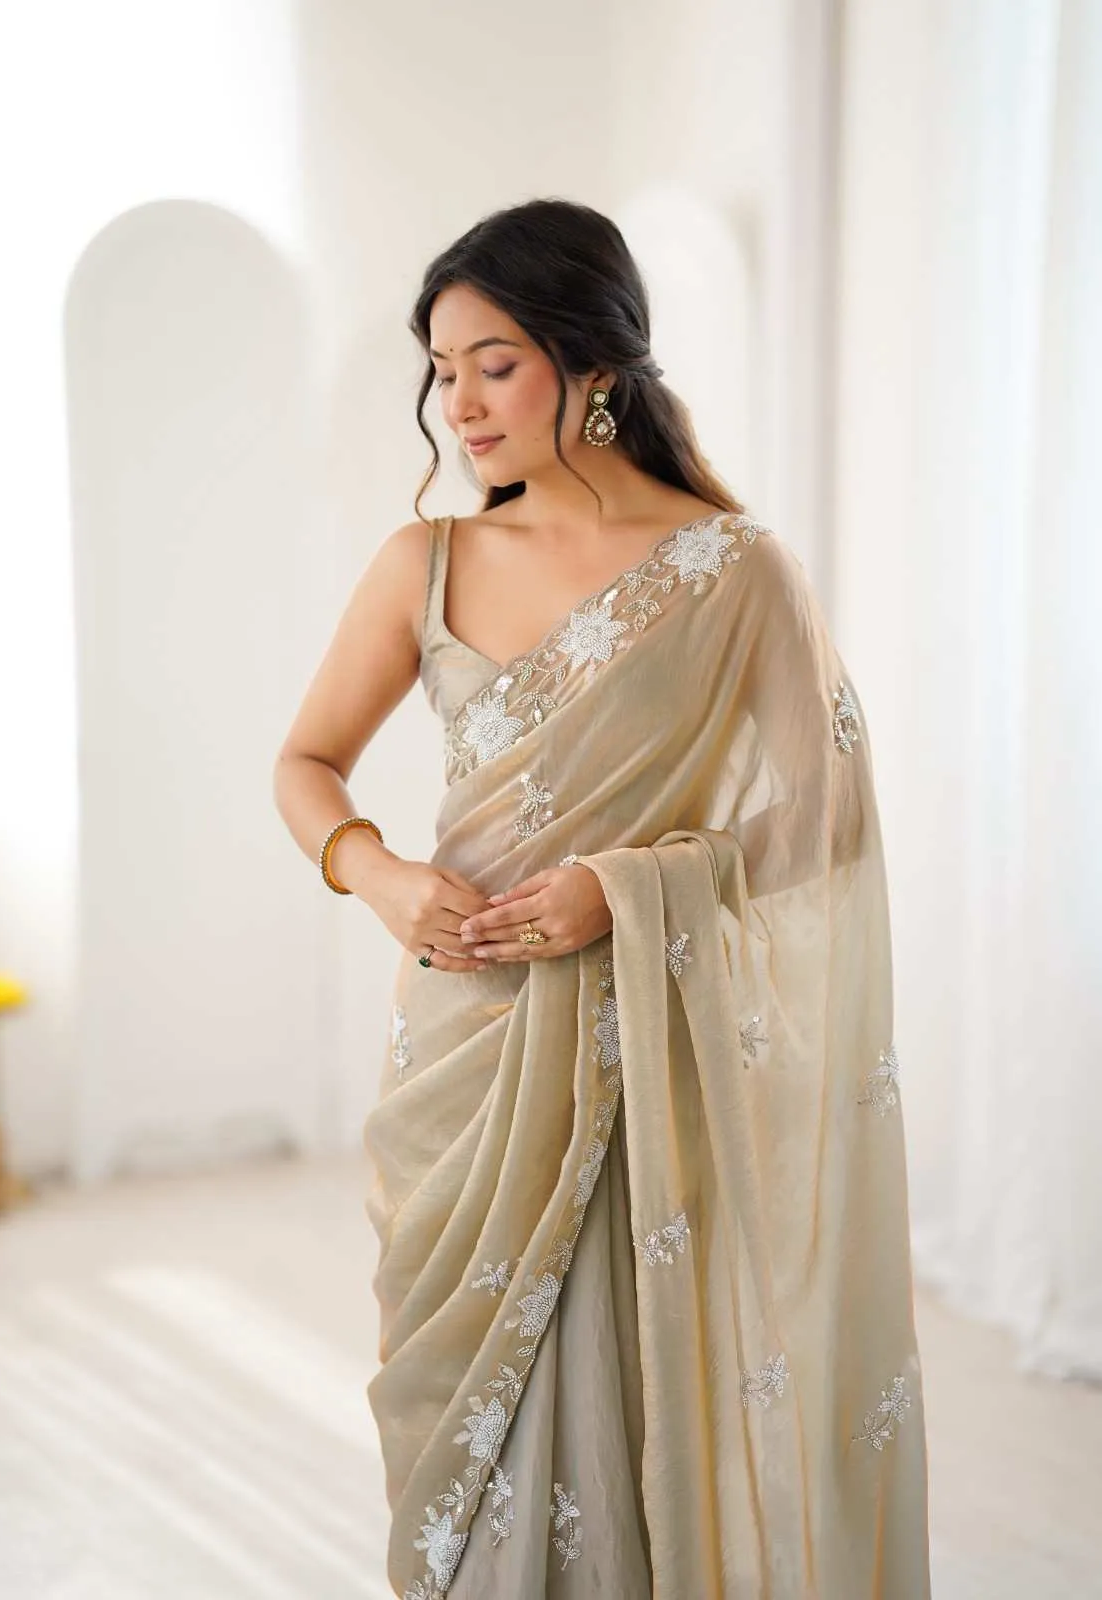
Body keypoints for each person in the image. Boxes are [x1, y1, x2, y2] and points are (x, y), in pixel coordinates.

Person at [273, 197, 931, 1598]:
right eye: (440, 370)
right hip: (464, 1047)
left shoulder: (734, 573)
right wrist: (380, 875)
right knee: (465, 1444)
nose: (457, 404)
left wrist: (621, 892)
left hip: (647, 1053)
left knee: (628, 1403)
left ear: (594, 362)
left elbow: (826, 814)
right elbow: (305, 764)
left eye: (492, 363)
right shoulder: (426, 562)